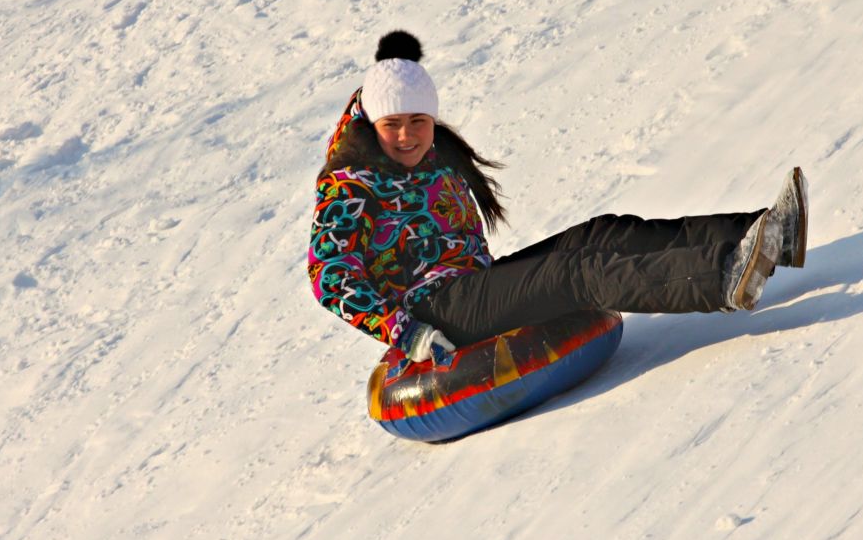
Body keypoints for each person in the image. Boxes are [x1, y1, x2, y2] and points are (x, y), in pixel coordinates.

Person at [308, 31, 808, 363]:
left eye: (418, 122)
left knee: (599, 232)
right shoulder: (350, 185)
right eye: (392, 125)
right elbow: (330, 277)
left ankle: (766, 234)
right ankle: (719, 277)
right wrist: (404, 332)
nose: (407, 136)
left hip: (471, 285)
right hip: (435, 311)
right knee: (578, 273)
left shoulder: (435, 159)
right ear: (372, 127)